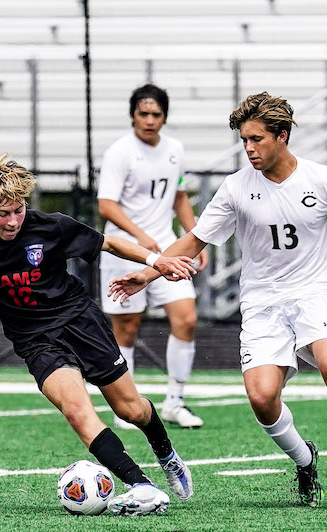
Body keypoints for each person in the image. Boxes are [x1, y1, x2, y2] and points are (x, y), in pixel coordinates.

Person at [109, 92, 327, 508]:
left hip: (315, 291)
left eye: (256, 139)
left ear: (282, 136)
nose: (248, 148)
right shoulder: (235, 188)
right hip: (263, 301)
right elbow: (194, 239)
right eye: (243, 140)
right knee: (262, 398)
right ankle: (306, 461)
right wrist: (148, 271)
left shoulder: (325, 180)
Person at [0, 154, 197, 516]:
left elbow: (109, 243)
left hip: (80, 321)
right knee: (77, 412)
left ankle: (167, 454)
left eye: (19, 210)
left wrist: (155, 261)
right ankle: (140, 485)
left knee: (131, 408)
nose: (13, 220)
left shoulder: (50, 226)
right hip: (35, 340)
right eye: (4, 213)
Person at [98, 84, 209, 430]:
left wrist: (195, 239)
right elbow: (106, 204)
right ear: (132, 115)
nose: (149, 120)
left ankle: (175, 402)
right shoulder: (119, 152)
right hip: (124, 251)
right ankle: (127, 407)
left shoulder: (174, 149)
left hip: (167, 249)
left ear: (165, 117)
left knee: (186, 319)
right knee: (127, 330)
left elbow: (179, 197)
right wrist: (141, 236)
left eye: (156, 114)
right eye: (143, 113)